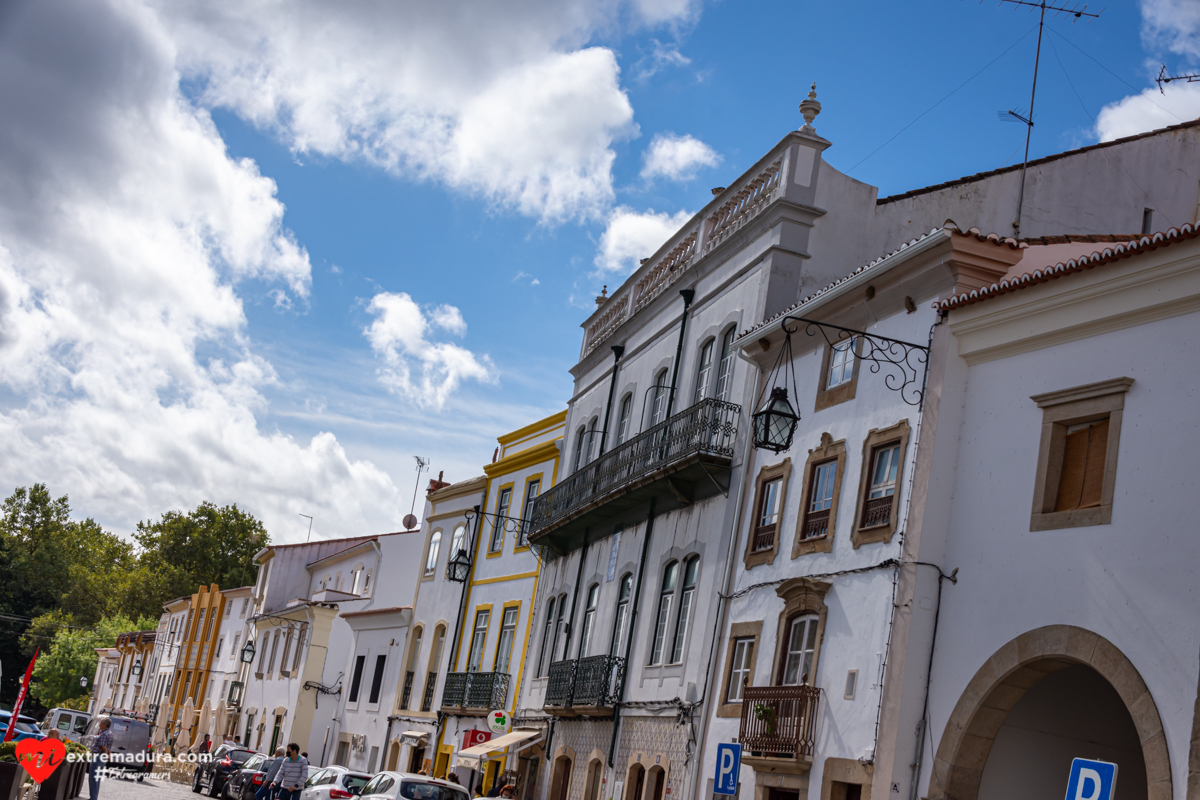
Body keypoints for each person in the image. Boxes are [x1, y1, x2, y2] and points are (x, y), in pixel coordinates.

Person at [88, 718, 112, 800]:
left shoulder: (104, 734)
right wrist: (108, 756)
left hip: (98, 757)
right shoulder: (110, 734)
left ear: (105, 724)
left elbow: (103, 746)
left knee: (93, 778)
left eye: (101, 723)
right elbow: (109, 747)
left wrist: (105, 755)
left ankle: (93, 798)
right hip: (103, 759)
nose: (99, 725)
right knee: (97, 778)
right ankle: (94, 797)